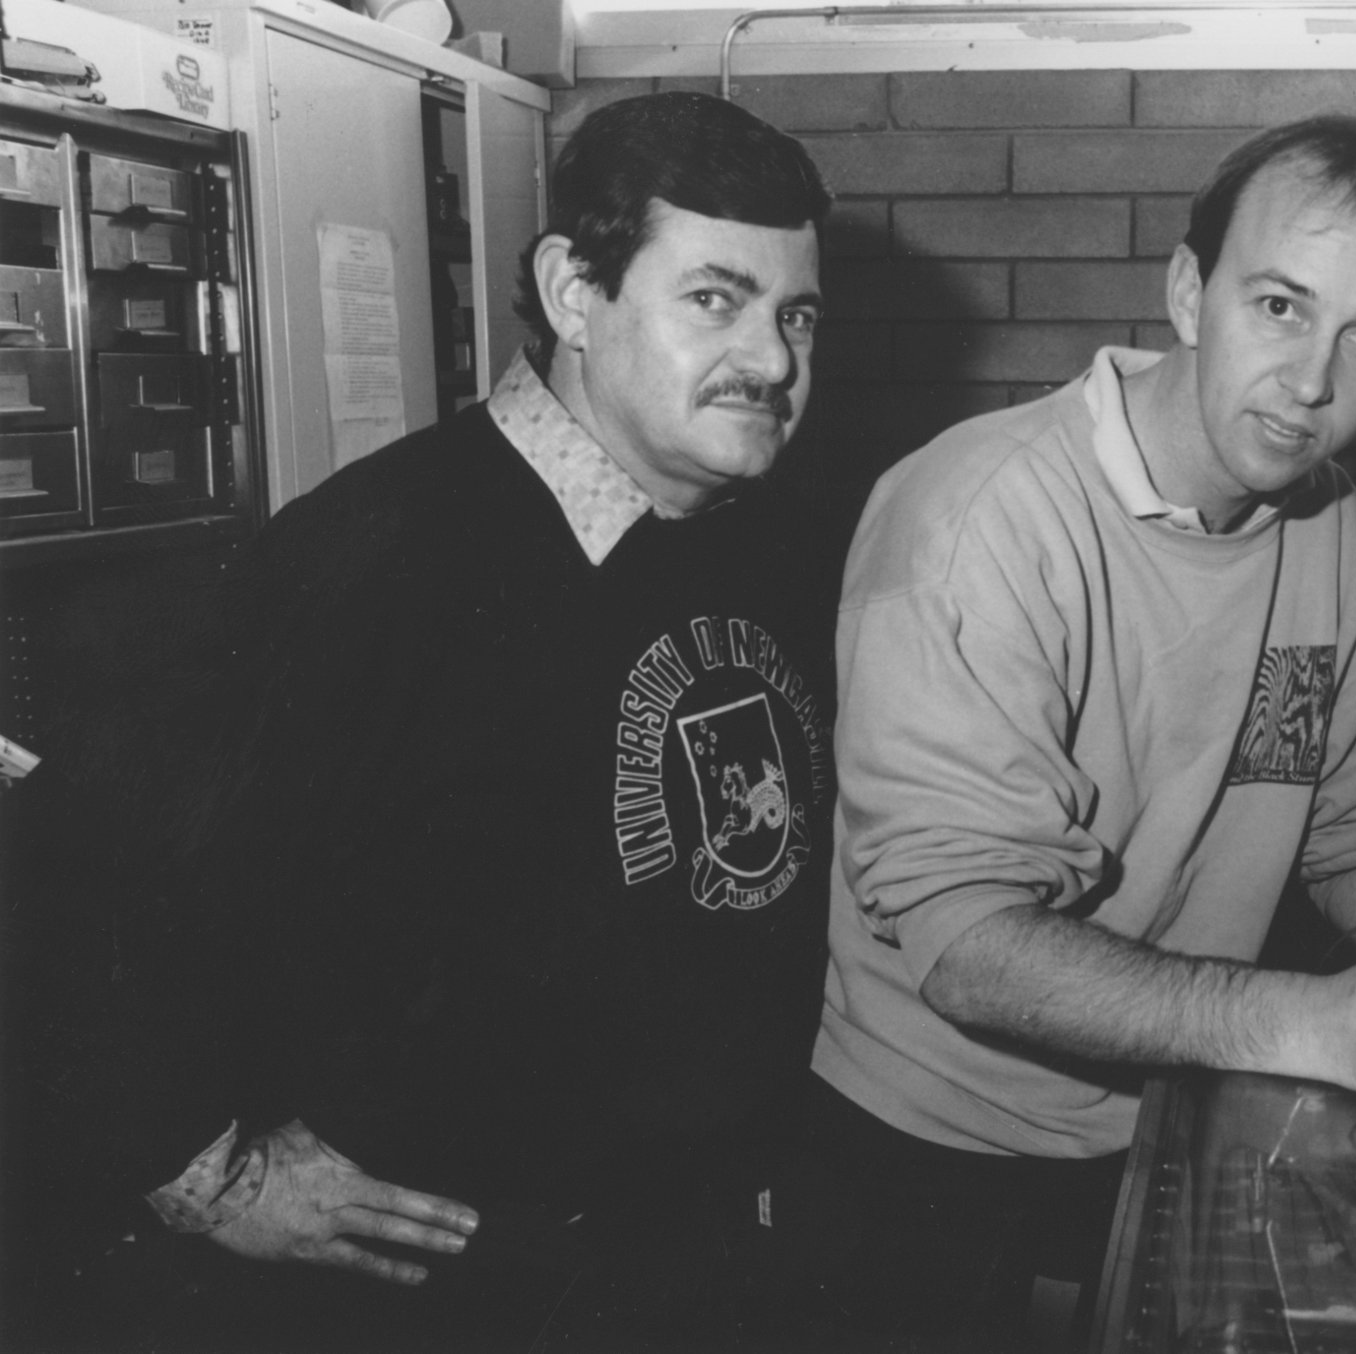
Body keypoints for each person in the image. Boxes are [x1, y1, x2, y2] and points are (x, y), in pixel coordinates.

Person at [768, 113, 1356, 1352]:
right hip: (933, 1160)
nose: (1312, 382)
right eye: (1280, 307)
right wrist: (1323, 1023)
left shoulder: (1339, 536)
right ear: (1189, 292)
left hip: (1176, 1121)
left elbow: (1355, 839)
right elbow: (965, 945)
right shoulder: (979, 518)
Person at [100, 91, 838, 1352]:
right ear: (572, 293)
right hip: (453, 1288)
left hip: (686, 1248)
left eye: (796, 315)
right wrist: (203, 1173)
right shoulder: (377, 556)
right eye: (715, 299)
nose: (771, 360)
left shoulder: (761, 540)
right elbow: (74, 874)